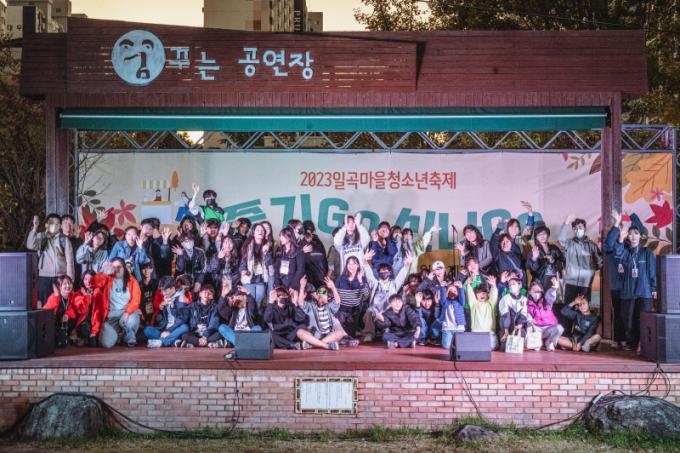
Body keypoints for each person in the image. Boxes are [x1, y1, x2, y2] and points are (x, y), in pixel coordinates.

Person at [607, 210, 657, 351]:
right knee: (628, 322)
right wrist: (620, 239)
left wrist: (654, 288)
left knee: (644, 320)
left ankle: (644, 345)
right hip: (628, 293)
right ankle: (634, 343)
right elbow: (617, 253)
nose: (633, 236)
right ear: (627, 236)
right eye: (631, 233)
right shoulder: (625, 252)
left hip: (644, 293)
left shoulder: (646, 252)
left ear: (641, 236)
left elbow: (652, 272)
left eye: (636, 233)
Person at [357, 249, 412, 342]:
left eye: (386, 270)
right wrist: (364, 261)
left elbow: (402, 276)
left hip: (388, 314)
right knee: (369, 311)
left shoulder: (394, 284)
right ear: (378, 272)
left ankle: (386, 332)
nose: (384, 272)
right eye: (381, 270)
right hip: (375, 313)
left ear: (390, 272)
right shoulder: (375, 283)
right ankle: (369, 333)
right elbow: (368, 273)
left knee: (387, 333)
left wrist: (407, 265)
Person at [91, 258, 142, 348]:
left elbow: (136, 300)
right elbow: (94, 283)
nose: (116, 269)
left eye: (119, 267)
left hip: (127, 313)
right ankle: (119, 336)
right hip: (112, 316)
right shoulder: (108, 278)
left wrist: (127, 313)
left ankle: (129, 338)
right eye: (114, 267)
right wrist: (104, 273)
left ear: (124, 268)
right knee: (106, 343)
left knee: (132, 320)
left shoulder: (132, 280)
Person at [27, 214, 75, 306]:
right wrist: (35, 228)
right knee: (45, 304)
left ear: (60, 226)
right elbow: (30, 245)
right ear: (46, 225)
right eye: (52, 223)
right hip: (44, 277)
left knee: (60, 304)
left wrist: (70, 280)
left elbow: (70, 262)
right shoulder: (41, 237)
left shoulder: (64, 240)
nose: (54, 225)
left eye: (57, 224)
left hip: (60, 277)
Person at [558, 214, 603, 306]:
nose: (578, 230)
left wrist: (590, 272)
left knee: (584, 308)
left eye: (580, 227)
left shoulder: (592, 245)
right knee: (569, 307)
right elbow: (561, 240)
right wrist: (566, 223)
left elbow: (599, 262)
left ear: (585, 229)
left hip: (586, 283)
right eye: (575, 228)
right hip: (570, 282)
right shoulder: (569, 244)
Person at [295, 276, 345, 350]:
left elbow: (337, 301)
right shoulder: (311, 306)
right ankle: (326, 346)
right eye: (319, 292)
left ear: (328, 297)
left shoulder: (329, 307)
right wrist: (302, 286)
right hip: (314, 335)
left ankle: (312, 345)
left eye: (323, 293)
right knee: (300, 332)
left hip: (327, 336)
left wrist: (333, 287)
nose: (320, 294)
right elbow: (300, 303)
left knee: (340, 333)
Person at [145, 276, 190, 348]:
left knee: (185, 327)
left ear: (172, 288)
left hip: (176, 328)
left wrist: (169, 331)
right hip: (165, 328)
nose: (163, 293)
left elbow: (181, 319)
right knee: (147, 330)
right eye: (162, 291)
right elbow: (164, 319)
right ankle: (173, 341)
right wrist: (162, 306)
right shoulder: (167, 297)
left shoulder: (181, 298)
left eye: (165, 291)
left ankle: (161, 342)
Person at [334, 256, 369, 339]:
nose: (351, 266)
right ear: (346, 265)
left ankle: (355, 331)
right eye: (349, 264)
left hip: (354, 311)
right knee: (341, 335)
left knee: (350, 335)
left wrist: (360, 281)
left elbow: (366, 295)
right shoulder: (340, 279)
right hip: (341, 310)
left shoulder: (362, 278)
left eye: (354, 264)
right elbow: (335, 296)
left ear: (358, 265)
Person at [240, 223, 272, 308]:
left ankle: (256, 315)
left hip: (261, 279)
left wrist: (265, 252)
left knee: (259, 301)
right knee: (250, 300)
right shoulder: (247, 246)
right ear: (253, 232)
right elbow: (243, 262)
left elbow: (269, 263)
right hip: (249, 278)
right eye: (258, 230)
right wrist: (243, 270)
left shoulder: (267, 246)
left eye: (262, 230)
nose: (260, 232)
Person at [526, 279, 564, 351]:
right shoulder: (527, 303)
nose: (537, 293)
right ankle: (536, 342)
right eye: (535, 291)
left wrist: (553, 289)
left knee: (559, 328)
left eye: (539, 291)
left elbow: (551, 295)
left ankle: (549, 342)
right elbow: (527, 315)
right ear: (530, 292)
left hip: (548, 328)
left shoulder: (546, 301)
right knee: (529, 326)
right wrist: (530, 320)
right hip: (537, 329)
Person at [180, 284, 222, 348]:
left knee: (220, 333)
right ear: (200, 294)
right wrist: (183, 303)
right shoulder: (193, 306)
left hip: (208, 334)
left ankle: (196, 343)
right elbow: (183, 315)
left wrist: (205, 336)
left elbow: (213, 323)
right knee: (184, 335)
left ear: (212, 296)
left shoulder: (215, 307)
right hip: (195, 333)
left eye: (209, 293)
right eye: (205, 292)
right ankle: (205, 343)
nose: (206, 295)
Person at [526, 224, 565, 293]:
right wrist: (534, 258)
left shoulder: (554, 248)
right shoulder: (533, 250)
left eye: (544, 233)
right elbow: (532, 270)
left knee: (554, 297)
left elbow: (563, 262)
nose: (542, 236)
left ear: (548, 235)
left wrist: (553, 261)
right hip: (539, 282)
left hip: (554, 280)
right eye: (539, 235)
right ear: (536, 237)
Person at [465, 275, 499, 350]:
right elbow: (470, 294)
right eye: (479, 293)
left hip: (489, 333)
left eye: (484, 293)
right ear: (475, 295)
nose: (482, 294)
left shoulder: (491, 304)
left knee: (491, 347)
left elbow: (494, 295)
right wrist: (468, 285)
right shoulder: (474, 304)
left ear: (488, 294)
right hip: (476, 333)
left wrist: (493, 286)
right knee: (475, 348)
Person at [43, 275, 78, 347]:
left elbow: (74, 310)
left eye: (69, 283)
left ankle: (65, 336)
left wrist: (67, 314)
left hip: (63, 324)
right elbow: (45, 312)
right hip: (53, 324)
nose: (68, 285)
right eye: (65, 284)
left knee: (73, 318)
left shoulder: (72, 296)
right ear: (59, 286)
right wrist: (56, 296)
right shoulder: (54, 297)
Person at [498, 277, 529, 351]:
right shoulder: (505, 298)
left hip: (518, 327)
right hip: (506, 328)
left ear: (519, 285)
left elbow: (524, 314)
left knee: (518, 347)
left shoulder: (524, 299)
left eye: (513, 284)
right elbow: (505, 315)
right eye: (509, 285)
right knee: (504, 348)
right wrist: (506, 330)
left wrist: (520, 324)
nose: (511, 286)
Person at [71, 271, 99, 347]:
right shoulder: (79, 293)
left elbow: (98, 314)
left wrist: (94, 331)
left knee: (95, 343)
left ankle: (87, 339)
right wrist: (87, 297)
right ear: (82, 280)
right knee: (85, 330)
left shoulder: (98, 292)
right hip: (85, 322)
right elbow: (81, 310)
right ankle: (83, 337)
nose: (88, 282)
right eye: (85, 279)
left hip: (96, 323)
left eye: (91, 279)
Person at [300, 220, 328, 288]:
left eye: (310, 232)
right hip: (308, 279)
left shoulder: (318, 244)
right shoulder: (300, 245)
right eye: (307, 232)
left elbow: (324, 262)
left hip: (319, 279)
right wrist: (301, 251)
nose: (309, 234)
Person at [439, 281, 466, 349]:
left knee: (460, 346)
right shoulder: (445, 302)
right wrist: (442, 287)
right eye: (450, 290)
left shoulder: (460, 302)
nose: (452, 292)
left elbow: (462, 297)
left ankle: (455, 343)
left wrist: (460, 287)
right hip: (447, 328)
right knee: (446, 346)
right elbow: (442, 297)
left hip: (458, 328)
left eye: (455, 291)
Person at [61, 215, 83, 289]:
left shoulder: (78, 241)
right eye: (65, 223)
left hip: (76, 276)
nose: (68, 225)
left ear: (73, 226)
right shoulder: (58, 240)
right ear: (61, 226)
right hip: (61, 277)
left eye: (70, 223)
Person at [138, 262, 158, 329]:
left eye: (148, 268)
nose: (146, 271)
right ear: (141, 271)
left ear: (152, 270)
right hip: (143, 309)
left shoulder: (156, 283)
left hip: (155, 308)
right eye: (144, 269)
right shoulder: (138, 285)